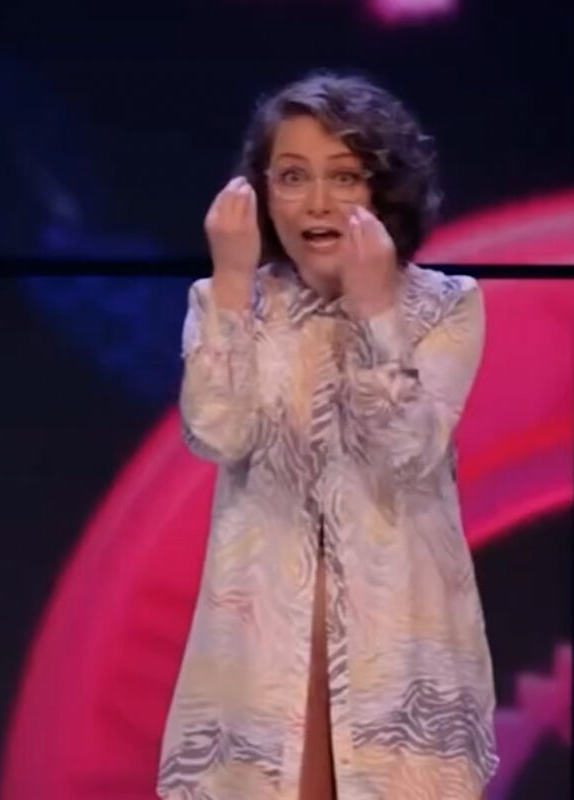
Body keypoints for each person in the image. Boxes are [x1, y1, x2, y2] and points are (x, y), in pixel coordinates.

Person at [157, 71, 498, 799]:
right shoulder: (232, 302)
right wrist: (229, 285)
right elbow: (215, 431)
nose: (317, 202)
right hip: (259, 661)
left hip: (399, 655)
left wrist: (376, 314)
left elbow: (406, 452)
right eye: (292, 176)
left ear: (382, 190)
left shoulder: (445, 305)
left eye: (344, 176)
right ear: (261, 193)